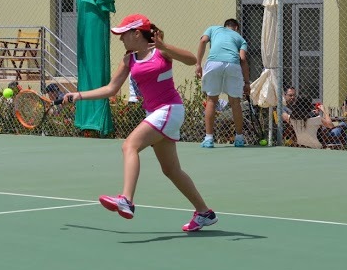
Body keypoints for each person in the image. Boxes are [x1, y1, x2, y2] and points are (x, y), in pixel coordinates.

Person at [63, 13, 217, 232]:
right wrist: (78, 95)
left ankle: (126, 200)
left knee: (129, 146)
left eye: (124, 34)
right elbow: (111, 89)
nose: (120, 39)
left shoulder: (161, 52)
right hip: (155, 113)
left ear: (137, 34)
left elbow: (191, 60)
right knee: (171, 170)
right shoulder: (129, 59)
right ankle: (204, 212)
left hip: (169, 109)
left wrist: (165, 46)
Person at [195, 18, 251, 148]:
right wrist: (247, 83)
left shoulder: (213, 29)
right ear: (236, 28)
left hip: (213, 63)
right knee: (235, 102)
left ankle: (209, 139)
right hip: (233, 64)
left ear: (225, 26)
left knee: (211, 100)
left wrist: (198, 64)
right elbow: (243, 59)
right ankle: (239, 139)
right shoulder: (240, 39)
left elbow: (203, 41)